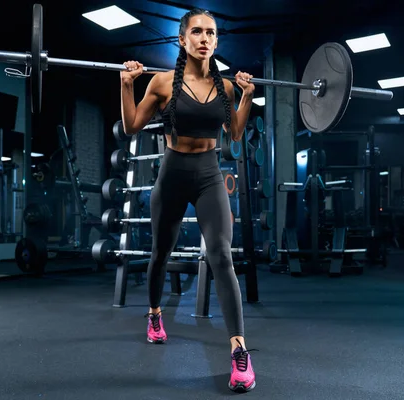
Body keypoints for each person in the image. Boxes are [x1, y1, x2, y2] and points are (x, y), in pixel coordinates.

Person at [119, 8, 257, 393]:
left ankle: (238, 350)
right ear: (182, 40)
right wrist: (127, 84)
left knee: (222, 256)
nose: (204, 39)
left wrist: (246, 96)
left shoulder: (226, 86)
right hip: (173, 174)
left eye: (210, 33)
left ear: (216, 41)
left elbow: (235, 131)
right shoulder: (163, 83)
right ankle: (154, 314)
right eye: (196, 32)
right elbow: (131, 125)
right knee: (161, 252)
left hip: (209, 175)